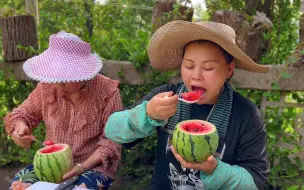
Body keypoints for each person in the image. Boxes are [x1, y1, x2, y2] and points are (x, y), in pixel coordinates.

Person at [104, 20, 270, 190]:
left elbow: (256, 181)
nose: (196, 76)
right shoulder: (167, 96)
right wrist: (147, 114)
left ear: (229, 70)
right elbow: (111, 130)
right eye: (189, 65)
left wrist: (216, 169)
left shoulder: (246, 114)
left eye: (208, 68)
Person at [4, 31, 123, 190]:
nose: (58, 84)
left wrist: (81, 166)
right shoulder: (47, 87)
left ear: (82, 72)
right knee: (18, 185)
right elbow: (22, 114)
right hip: (51, 165)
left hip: (92, 167)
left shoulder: (108, 92)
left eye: (64, 77)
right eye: (55, 76)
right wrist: (19, 128)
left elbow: (111, 142)